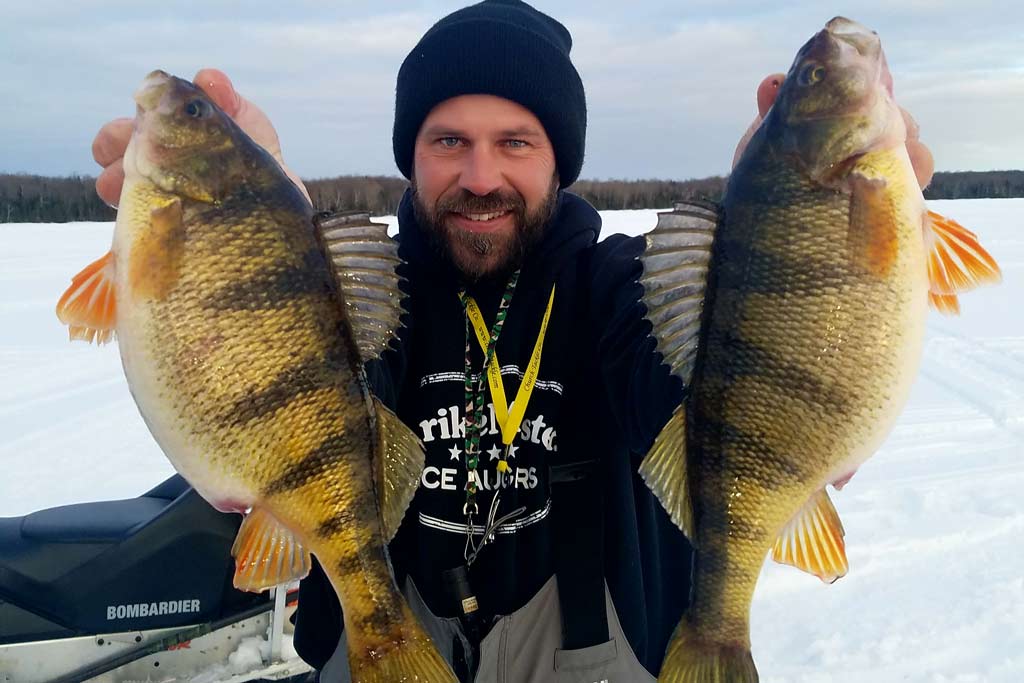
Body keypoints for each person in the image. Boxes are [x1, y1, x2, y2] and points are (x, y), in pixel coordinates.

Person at [92, 2, 934, 681]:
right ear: (411, 159)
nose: (482, 176)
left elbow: (695, 392)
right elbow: (293, 391)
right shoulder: (363, 293)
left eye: (515, 143)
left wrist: (790, 238)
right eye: (448, 141)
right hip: (385, 633)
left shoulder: (618, 287)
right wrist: (268, 226)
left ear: (558, 161)